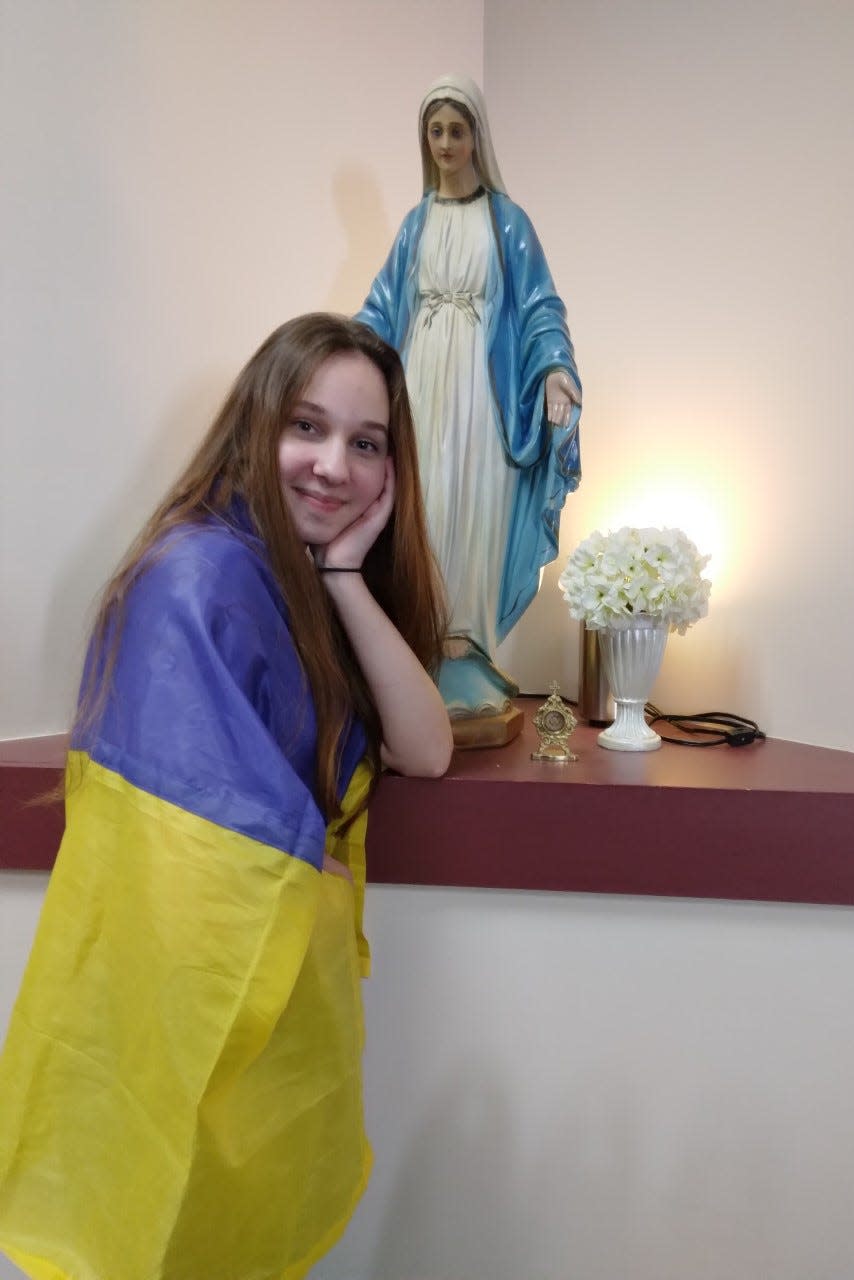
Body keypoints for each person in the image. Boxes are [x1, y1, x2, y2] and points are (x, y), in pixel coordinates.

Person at [0, 314, 452, 1280]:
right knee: (143, 1214)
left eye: (366, 444)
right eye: (307, 427)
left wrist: (344, 577)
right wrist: (308, 868)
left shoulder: (297, 580)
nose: (333, 466)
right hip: (183, 985)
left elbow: (427, 747)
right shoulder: (194, 575)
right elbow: (196, 822)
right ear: (256, 425)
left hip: (261, 984)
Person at [357, 73, 582, 719]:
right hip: (421, 384)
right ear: (424, 139)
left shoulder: (506, 221)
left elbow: (541, 306)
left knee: (474, 506)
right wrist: (337, 355)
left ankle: (466, 650)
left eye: (457, 130)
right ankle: (419, 644)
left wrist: (554, 370)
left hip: (481, 393)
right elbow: (380, 308)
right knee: (422, 502)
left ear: (476, 137)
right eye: (436, 131)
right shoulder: (416, 222)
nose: (446, 142)